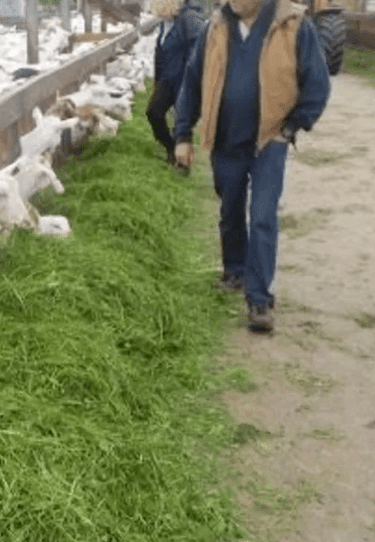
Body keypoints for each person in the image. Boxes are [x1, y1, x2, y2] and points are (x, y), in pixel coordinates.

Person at [173, 0, 330, 332]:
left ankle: (259, 299)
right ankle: (235, 271)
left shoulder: (292, 23)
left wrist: (292, 126)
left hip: (269, 140)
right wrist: (182, 134)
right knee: (230, 209)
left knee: (262, 216)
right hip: (226, 139)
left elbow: (317, 83)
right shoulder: (215, 26)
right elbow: (192, 80)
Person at [146, 0, 208, 166]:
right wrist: (158, 82)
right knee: (153, 113)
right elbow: (161, 53)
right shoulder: (165, 22)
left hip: (184, 80)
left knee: (182, 123)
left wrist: (193, 82)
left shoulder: (189, 18)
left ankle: (183, 164)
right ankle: (171, 148)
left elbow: (200, 50)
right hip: (167, 79)